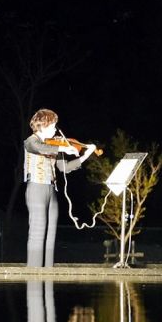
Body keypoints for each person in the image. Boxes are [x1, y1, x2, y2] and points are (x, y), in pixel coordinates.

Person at [24, 108, 96, 267]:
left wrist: (85, 156)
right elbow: (39, 148)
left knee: (50, 234)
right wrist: (63, 148)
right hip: (36, 188)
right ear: (42, 125)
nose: (56, 129)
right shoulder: (32, 141)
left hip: (52, 190)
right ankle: (34, 274)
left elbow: (64, 168)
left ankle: (48, 274)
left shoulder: (55, 144)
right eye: (52, 126)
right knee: (38, 232)